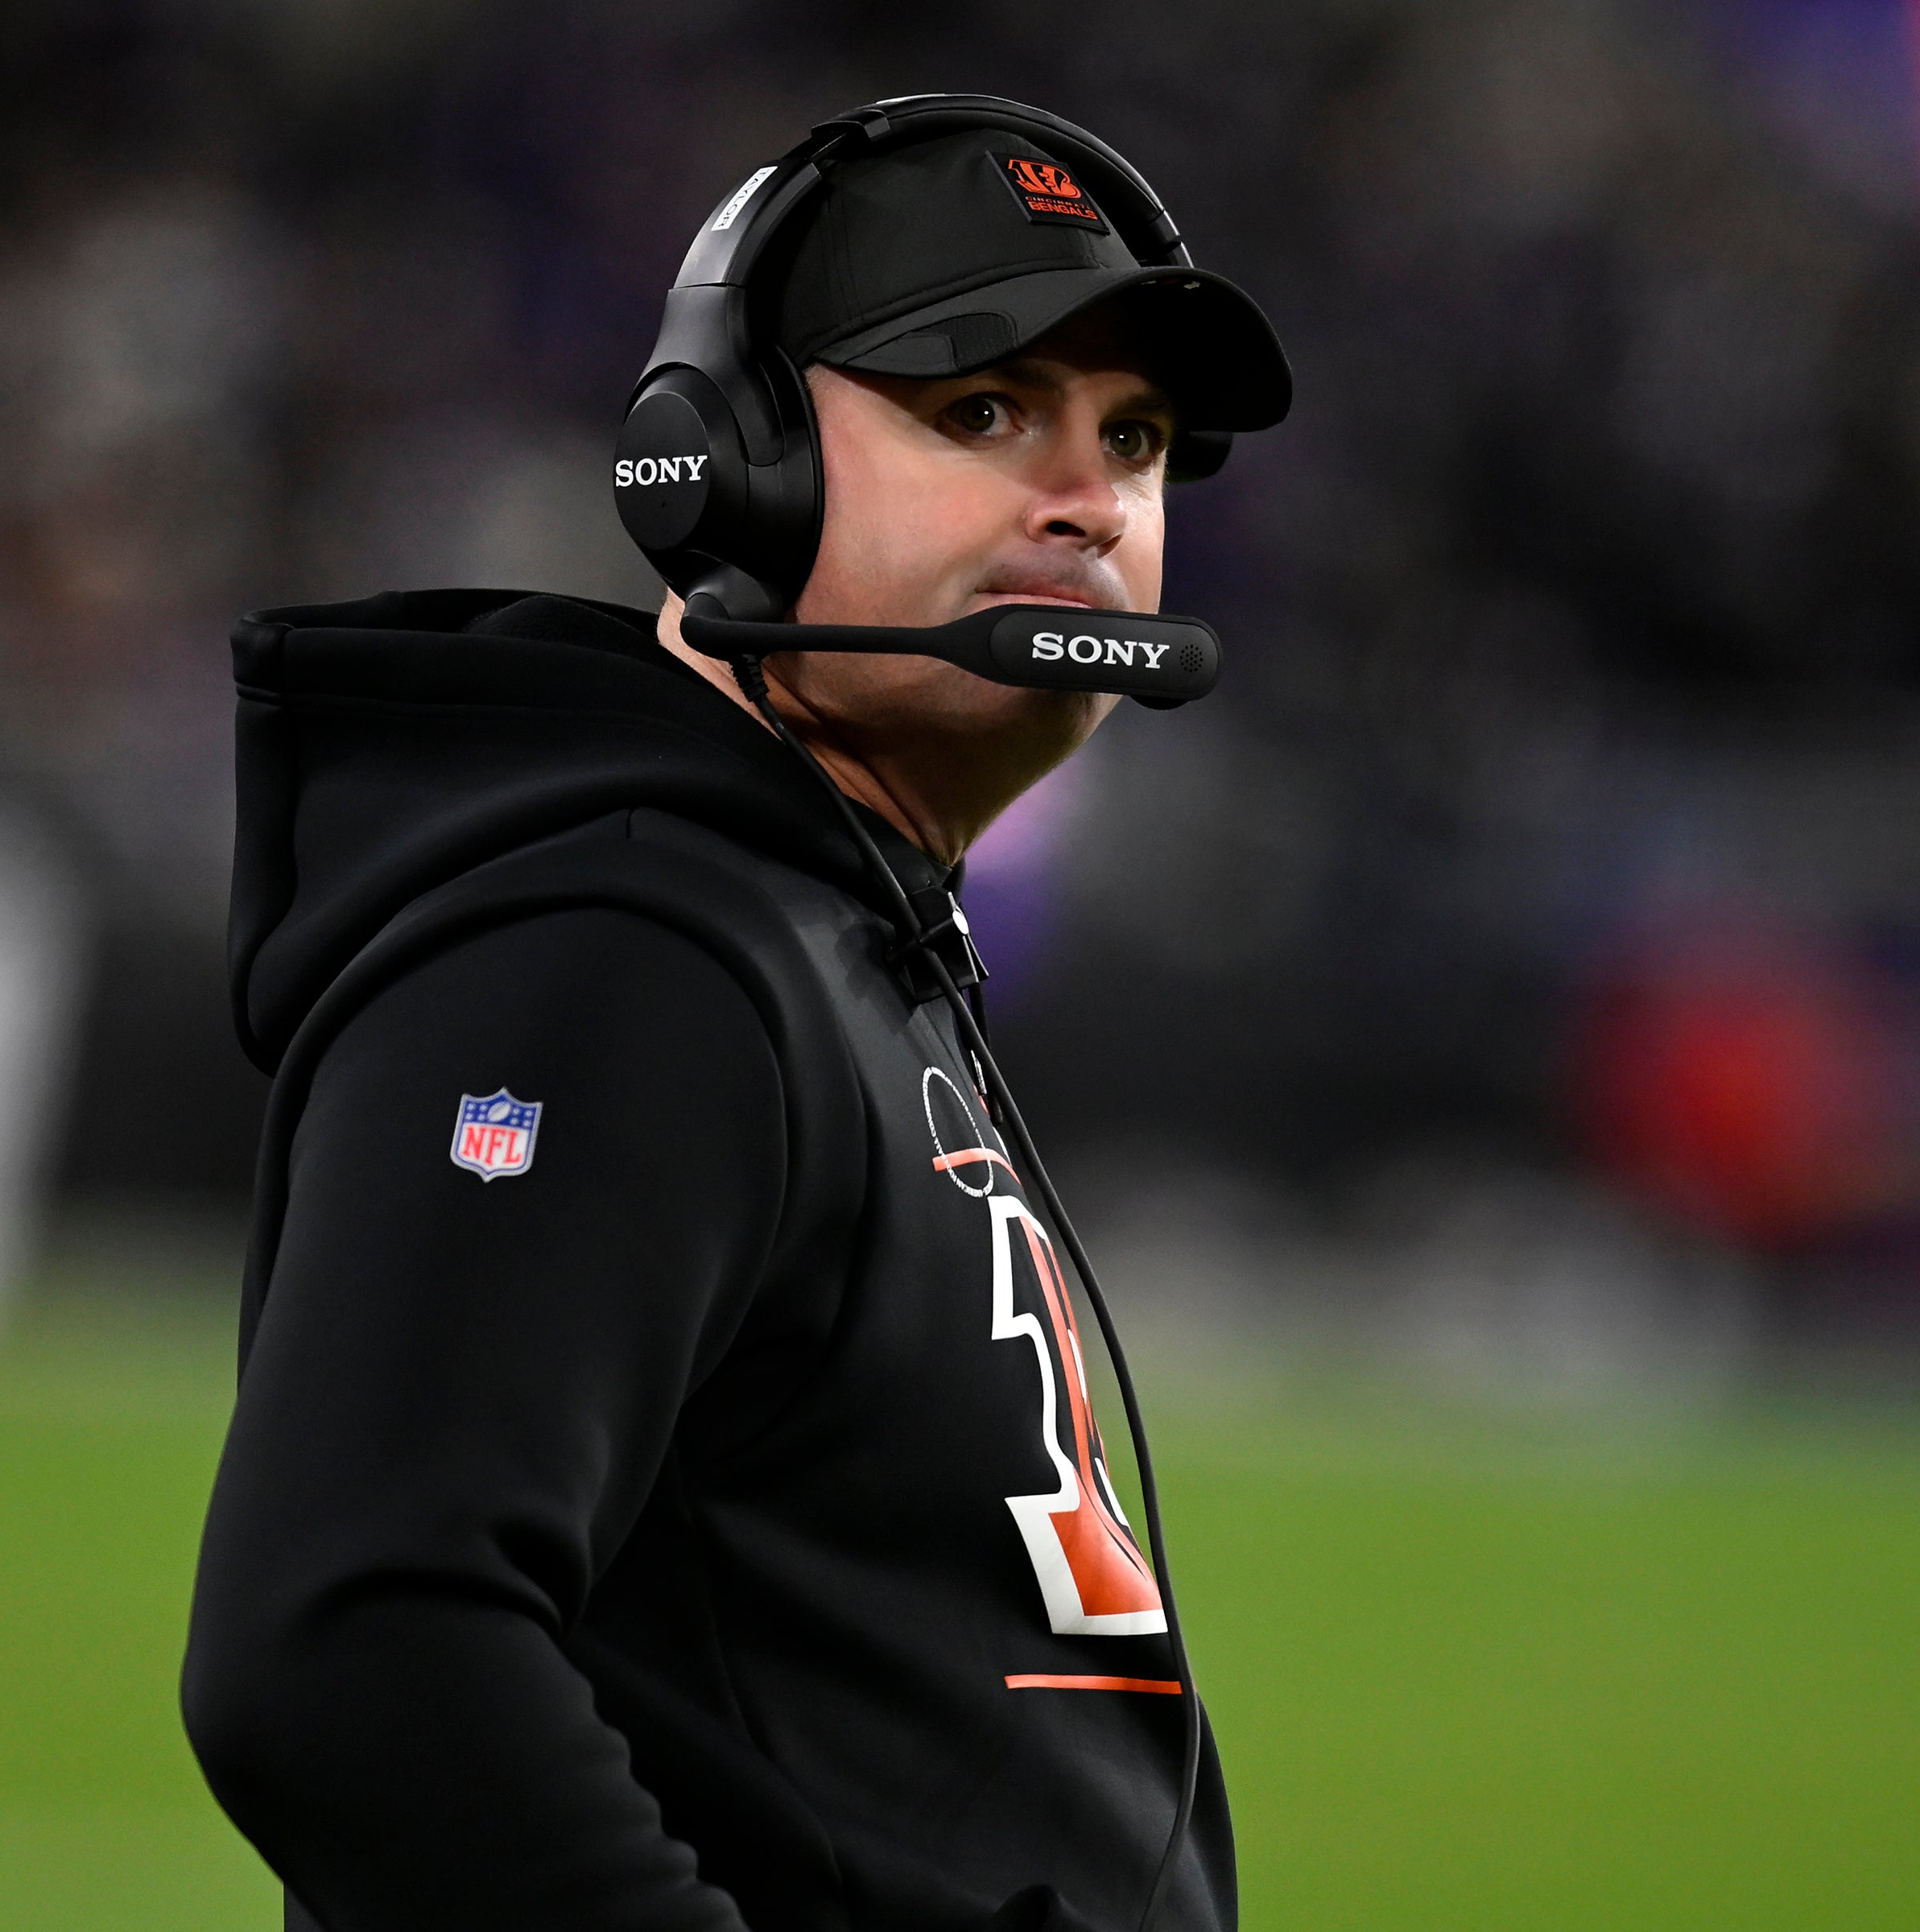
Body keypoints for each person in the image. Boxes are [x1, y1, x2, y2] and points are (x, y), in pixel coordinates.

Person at [181, 106, 1290, 1932]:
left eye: (1140, 440)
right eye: (984, 409)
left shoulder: (815, 932)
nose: (1089, 497)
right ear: (717, 472)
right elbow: (355, 1650)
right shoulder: (626, 948)